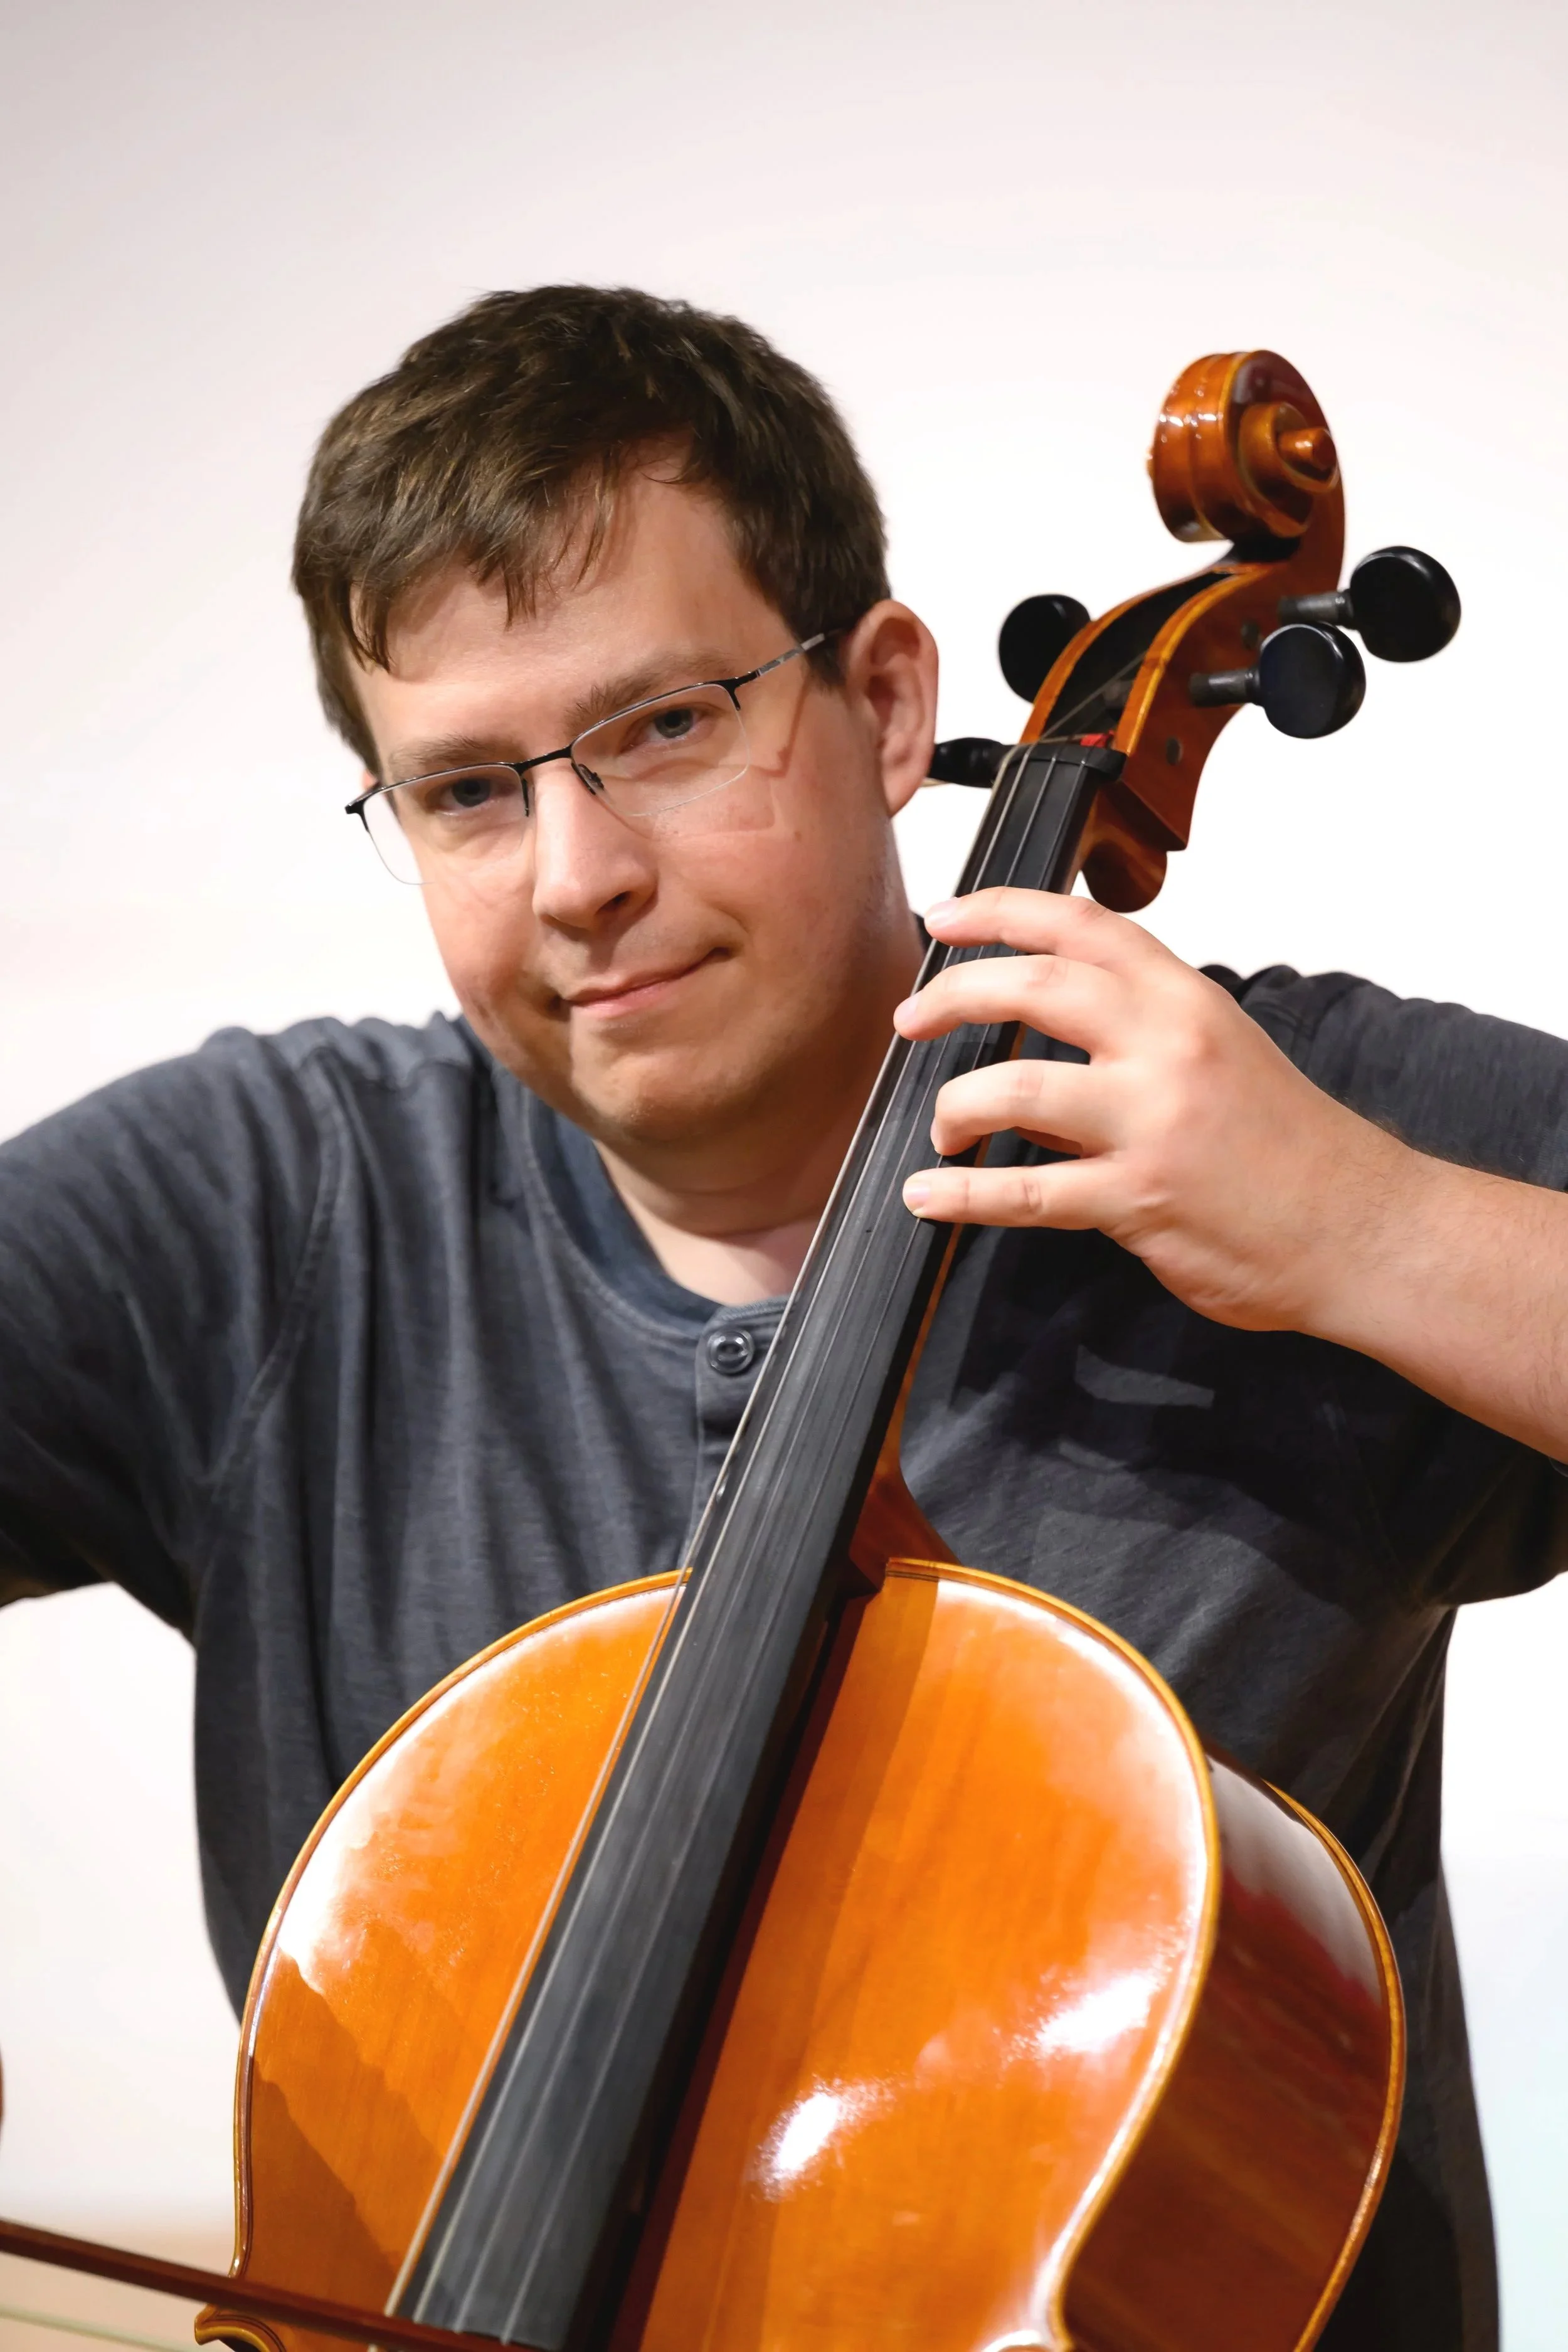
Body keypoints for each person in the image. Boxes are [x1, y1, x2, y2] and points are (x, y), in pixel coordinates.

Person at [3, 285, 1567, 2352]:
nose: (576, 875)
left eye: (660, 727)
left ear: (888, 701)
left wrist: (1358, 1226)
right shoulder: (278, 1212)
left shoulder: (1250, 1121)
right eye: (467, 791)